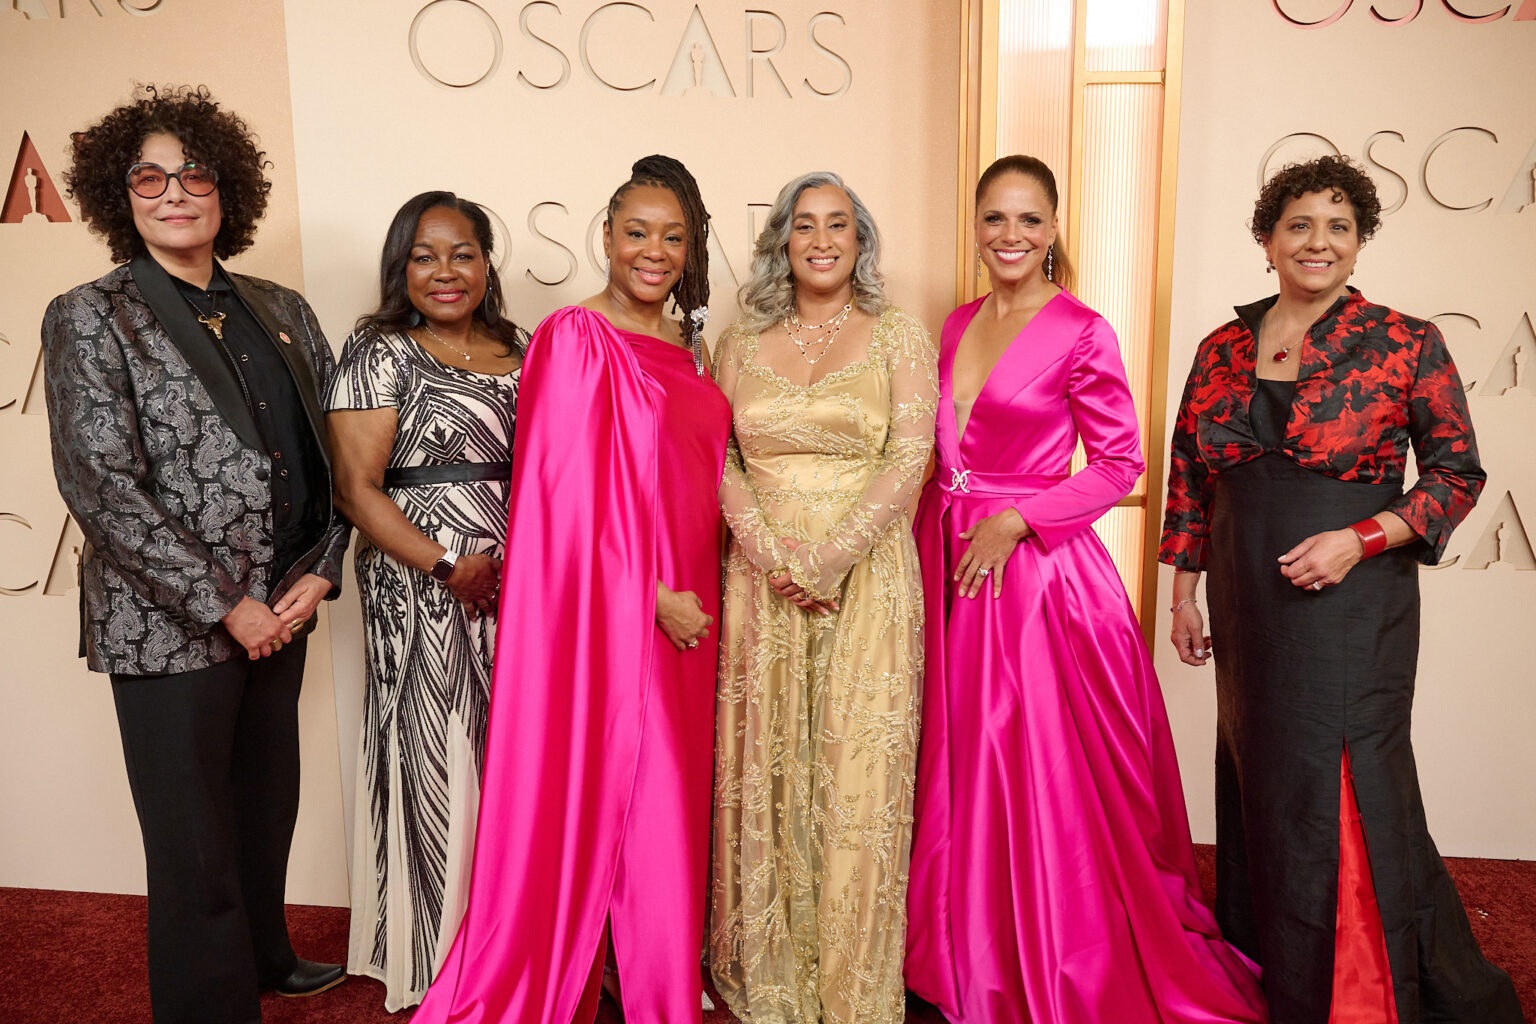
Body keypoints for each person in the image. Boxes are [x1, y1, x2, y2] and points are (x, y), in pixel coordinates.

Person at [902, 154, 1267, 1024]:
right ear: (976, 223)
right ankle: (958, 941)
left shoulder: (1082, 330)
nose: (1011, 236)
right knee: (955, 754)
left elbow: (1119, 465)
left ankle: (1035, 942)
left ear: (1055, 228)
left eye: (1029, 220)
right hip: (948, 556)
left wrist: (1019, 520)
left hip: (1033, 577)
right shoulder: (954, 326)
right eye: (995, 218)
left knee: (1024, 763)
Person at [1161, 154, 1522, 1023]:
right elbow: (1188, 477)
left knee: (1345, 774)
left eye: (1338, 227)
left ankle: (1361, 987)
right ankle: (1279, 966)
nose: (1317, 242)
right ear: (1266, 238)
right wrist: (1183, 593)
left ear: (1359, 244)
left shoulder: (1405, 340)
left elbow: (1456, 476)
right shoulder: (1221, 347)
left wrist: (1361, 538)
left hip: (1353, 597)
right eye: (1299, 225)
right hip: (1247, 597)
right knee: (1266, 775)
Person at [38, 85, 348, 1023]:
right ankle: (207, 1002)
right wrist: (225, 604)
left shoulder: (280, 307)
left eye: (195, 173)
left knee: (264, 806)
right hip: (173, 624)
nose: (175, 193)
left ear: (227, 188)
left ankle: (263, 953)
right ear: (117, 195)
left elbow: (338, 459)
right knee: (191, 836)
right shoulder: (92, 314)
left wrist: (323, 566)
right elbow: (101, 486)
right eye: (148, 177)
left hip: (284, 608)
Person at [411, 155, 728, 1024]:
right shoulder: (573, 337)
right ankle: (651, 993)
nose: (653, 252)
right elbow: (559, 505)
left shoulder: (687, 347)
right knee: (640, 788)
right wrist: (650, 599)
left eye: (672, 237)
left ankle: (645, 973)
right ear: (606, 238)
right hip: (630, 609)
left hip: (701, 597)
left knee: (672, 794)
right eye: (636, 234)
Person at [709, 171, 936, 1024]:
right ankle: (768, 961)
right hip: (759, 577)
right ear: (782, 240)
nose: (823, 239)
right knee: (767, 765)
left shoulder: (899, 335)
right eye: (805, 225)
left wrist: (832, 557)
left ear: (861, 239)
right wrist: (768, 551)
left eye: (839, 224)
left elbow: (910, 456)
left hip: (866, 575)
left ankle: (850, 981)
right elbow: (716, 455)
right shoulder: (736, 341)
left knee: (855, 778)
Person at [326, 192, 527, 1010]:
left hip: (522, 588)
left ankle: (511, 940)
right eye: (424, 256)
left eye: (463, 253)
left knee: (512, 761)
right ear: (399, 269)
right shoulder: (378, 351)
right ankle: (433, 957)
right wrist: (449, 564)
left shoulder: (518, 348)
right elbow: (355, 490)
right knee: (434, 755)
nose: (446, 272)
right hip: (424, 589)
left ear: (487, 263)